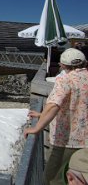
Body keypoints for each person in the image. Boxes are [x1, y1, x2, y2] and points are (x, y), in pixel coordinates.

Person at [24, 48, 88, 185]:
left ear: (63, 65)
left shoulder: (65, 80)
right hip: (86, 143)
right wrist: (42, 114)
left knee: (53, 179)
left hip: (66, 140)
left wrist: (37, 128)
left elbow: (54, 105)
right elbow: (78, 106)